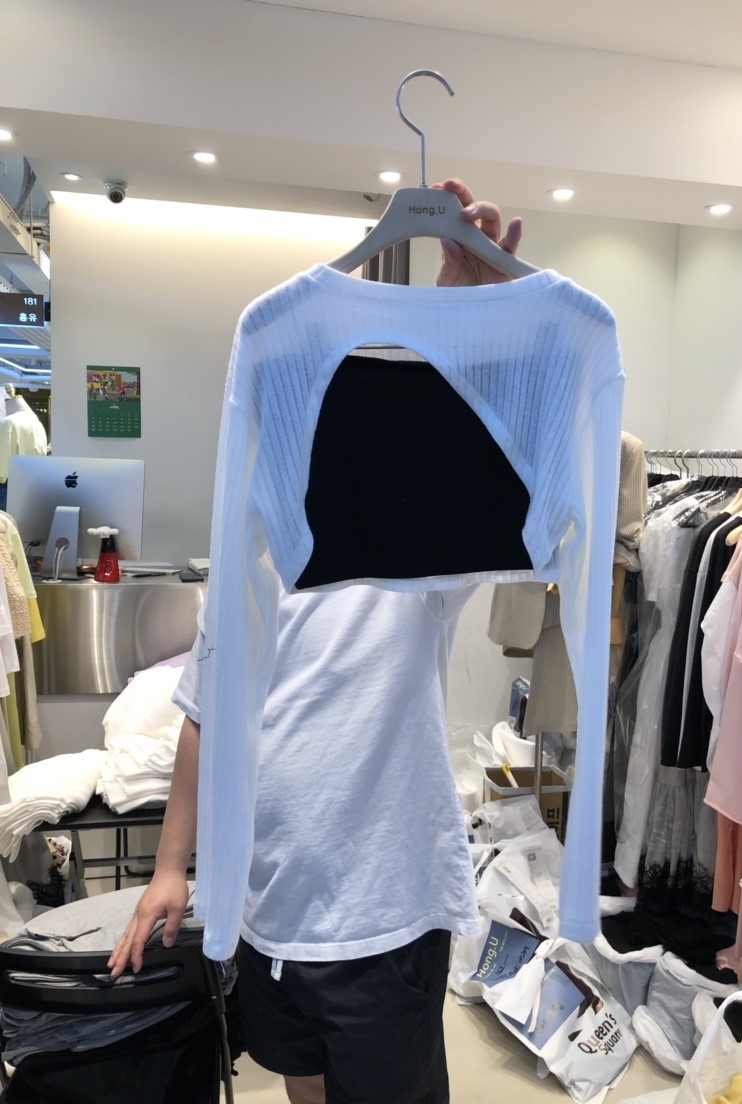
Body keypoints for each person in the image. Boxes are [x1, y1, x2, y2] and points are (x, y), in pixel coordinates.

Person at [108, 179, 524, 1104]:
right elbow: (203, 715)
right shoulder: (249, 557)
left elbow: (479, 443)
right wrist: (170, 870)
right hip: (268, 912)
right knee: (303, 1085)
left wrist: (465, 314)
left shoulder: (417, 563)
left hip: (385, 917)